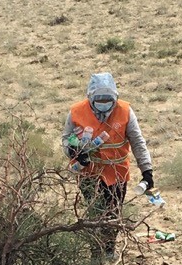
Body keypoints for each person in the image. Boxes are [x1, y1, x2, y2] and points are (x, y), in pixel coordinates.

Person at [61, 72, 155, 254]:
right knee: (94, 212)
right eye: (98, 102)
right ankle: (96, 251)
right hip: (88, 172)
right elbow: (66, 138)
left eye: (108, 102)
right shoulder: (76, 112)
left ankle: (109, 249)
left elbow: (137, 142)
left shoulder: (125, 111)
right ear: (90, 98)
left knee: (113, 213)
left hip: (117, 173)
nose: (104, 109)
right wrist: (74, 151)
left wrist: (147, 171)